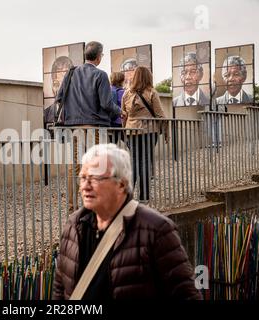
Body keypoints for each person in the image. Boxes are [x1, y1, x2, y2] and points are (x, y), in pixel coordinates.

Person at [53, 144, 201, 299]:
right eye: (83, 178)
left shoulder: (156, 229)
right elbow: (60, 288)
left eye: (95, 178)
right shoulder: (74, 225)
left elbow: (186, 294)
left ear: (121, 184)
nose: (85, 186)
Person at [55, 41, 120, 213]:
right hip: (95, 128)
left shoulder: (71, 73)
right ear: (99, 57)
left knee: (74, 166)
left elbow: (59, 97)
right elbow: (107, 103)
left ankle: (72, 206)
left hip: (73, 128)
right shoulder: (101, 75)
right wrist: (120, 112)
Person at [121, 66, 168, 202]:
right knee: (146, 162)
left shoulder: (127, 94)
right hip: (149, 131)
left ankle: (128, 196)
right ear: (148, 77)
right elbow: (160, 114)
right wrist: (166, 131)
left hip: (131, 131)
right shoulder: (152, 92)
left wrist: (125, 130)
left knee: (134, 162)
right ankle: (144, 197)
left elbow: (124, 114)